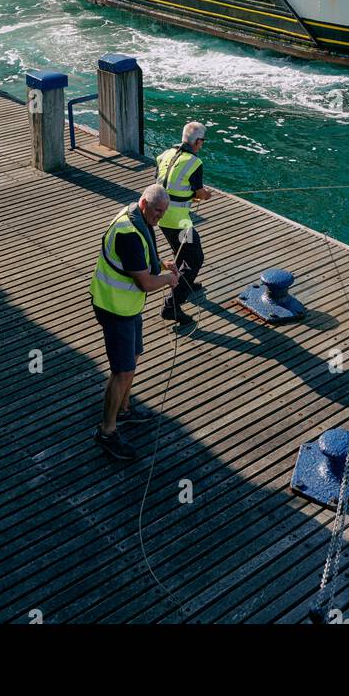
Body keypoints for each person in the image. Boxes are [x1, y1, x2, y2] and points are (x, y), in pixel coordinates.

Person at [91, 184, 180, 462]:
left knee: (134, 355)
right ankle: (107, 431)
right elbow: (144, 282)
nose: (160, 218)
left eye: (163, 212)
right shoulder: (128, 234)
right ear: (143, 203)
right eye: (156, 211)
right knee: (122, 371)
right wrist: (168, 279)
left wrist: (162, 264)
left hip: (127, 307)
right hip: (114, 307)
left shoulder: (134, 217)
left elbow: (141, 261)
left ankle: (125, 408)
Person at [155, 122, 212, 326]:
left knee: (180, 252)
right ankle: (172, 305)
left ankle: (185, 282)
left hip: (160, 215)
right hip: (179, 221)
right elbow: (199, 192)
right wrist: (205, 195)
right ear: (197, 141)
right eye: (202, 142)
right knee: (195, 258)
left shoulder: (166, 154)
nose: (202, 145)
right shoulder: (194, 162)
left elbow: (165, 183)